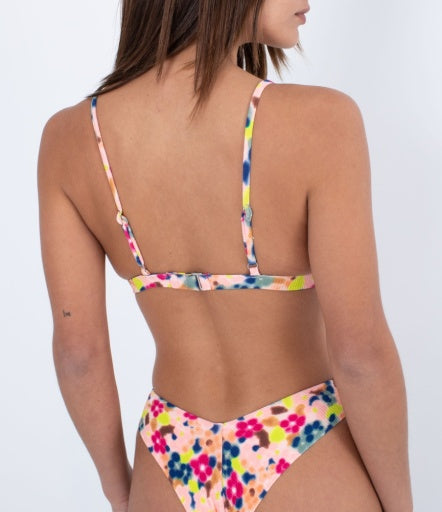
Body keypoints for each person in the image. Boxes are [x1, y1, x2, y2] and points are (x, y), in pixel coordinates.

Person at [38, 1, 413, 511]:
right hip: (302, 445)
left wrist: (121, 490)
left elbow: (78, 354)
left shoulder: (70, 139)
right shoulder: (323, 121)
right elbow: (360, 355)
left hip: (168, 455)